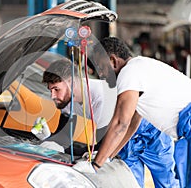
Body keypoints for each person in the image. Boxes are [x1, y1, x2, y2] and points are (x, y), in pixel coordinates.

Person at [43, 57, 179, 187]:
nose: (53, 96)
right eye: (50, 90)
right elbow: (65, 135)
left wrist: (83, 157)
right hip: (122, 139)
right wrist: (47, 139)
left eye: (56, 89)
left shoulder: (99, 96)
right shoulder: (66, 101)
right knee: (129, 183)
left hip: (150, 133)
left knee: (166, 182)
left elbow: (101, 147)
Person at [90, 37, 191, 187]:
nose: (101, 74)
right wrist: (109, 157)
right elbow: (132, 123)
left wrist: (95, 166)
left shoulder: (128, 73)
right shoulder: (141, 67)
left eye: (101, 67)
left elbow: (120, 123)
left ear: (113, 60)